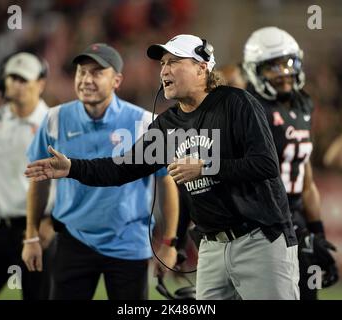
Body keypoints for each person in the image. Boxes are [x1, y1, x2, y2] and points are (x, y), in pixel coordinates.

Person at [25, 34, 300, 300]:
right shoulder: (168, 125)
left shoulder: (235, 103)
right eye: (163, 64)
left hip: (259, 239)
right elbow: (121, 169)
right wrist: (73, 167)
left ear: (201, 67)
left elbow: (265, 165)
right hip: (211, 248)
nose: (164, 70)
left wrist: (206, 167)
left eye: (174, 62)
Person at [22, 43, 179, 300]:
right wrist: (31, 237)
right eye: (81, 72)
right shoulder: (54, 120)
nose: (86, 80)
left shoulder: (144, 123)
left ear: (117, 80)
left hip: (129, 243)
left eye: (96, 73)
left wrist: (169, 243)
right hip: (74, 240)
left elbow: (166, 181)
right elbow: (38, 180)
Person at [243, 26, 339, 300]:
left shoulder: (303, 105)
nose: (284, 72)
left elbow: (305, 174)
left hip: (295, 219)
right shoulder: (248, 108)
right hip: (261, 224)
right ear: (255, 69)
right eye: (273, 66)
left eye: (288, 63)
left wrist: (317, 232)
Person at [0, 52, 54, 300]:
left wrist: (54, 223)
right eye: (12, 78)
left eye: (23, 79)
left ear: (40, 84)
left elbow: (73, 181)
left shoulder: (56, 124)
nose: (16, 85)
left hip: (41, 230)